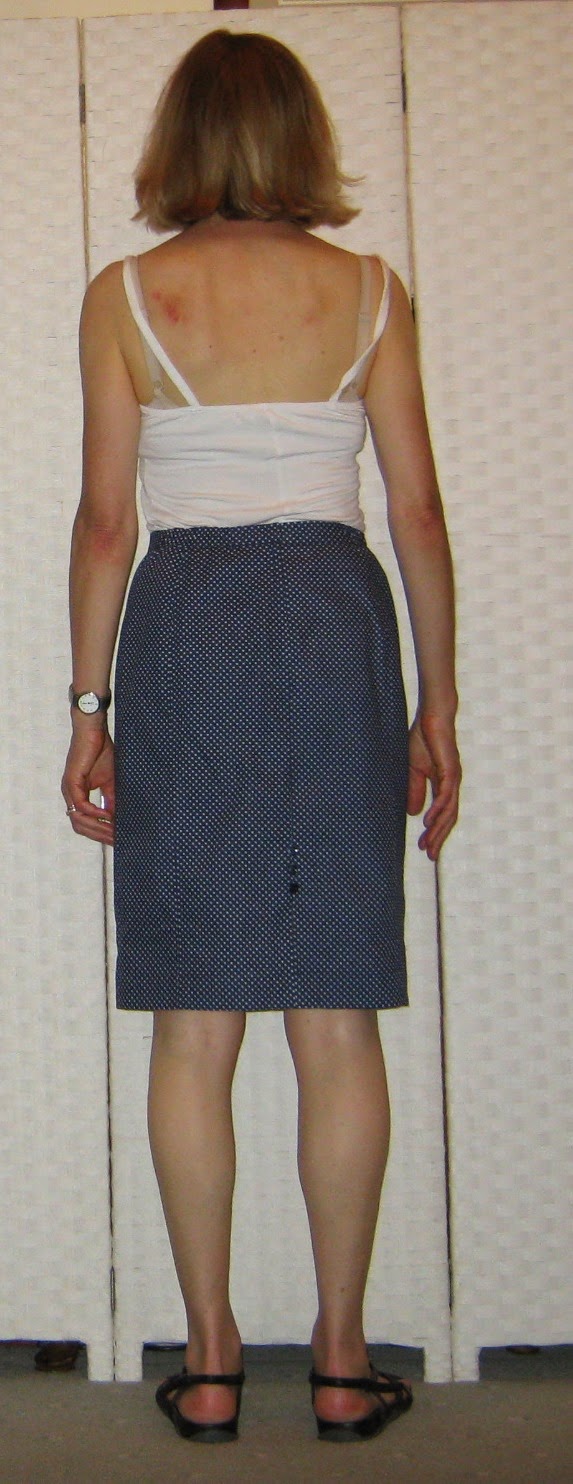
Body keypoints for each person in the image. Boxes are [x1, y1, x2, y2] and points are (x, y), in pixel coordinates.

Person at [61, 29, 460, 1445]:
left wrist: (88, 712)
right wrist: (436, 704)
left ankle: (215, 1356)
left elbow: (106, 523)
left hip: (188, 626)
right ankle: (342, 1361)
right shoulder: (368, 290)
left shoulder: (128, 294)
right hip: (336, 622)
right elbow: (416, 512)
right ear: (301, 137)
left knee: (193, 1023)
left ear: (176, 139)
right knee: (336, 1015)